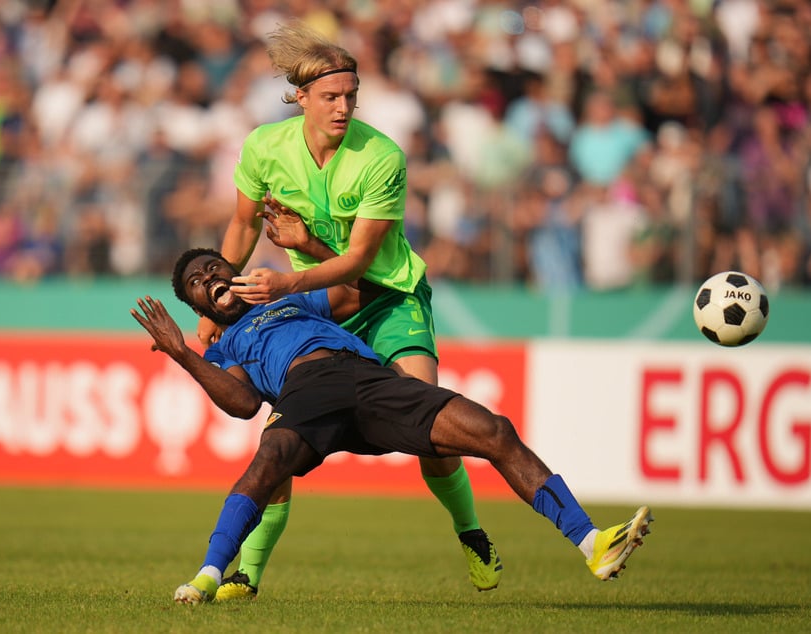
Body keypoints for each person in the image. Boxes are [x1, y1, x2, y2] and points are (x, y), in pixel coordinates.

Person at [131, 248, 654, 604]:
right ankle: (208, 576)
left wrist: (304, 255)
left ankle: (593, 544)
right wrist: (182, 353)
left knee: (494, 430)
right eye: (197, 282)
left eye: (214, 267)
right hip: (307, 393)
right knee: (267, 465)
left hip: (371, 380)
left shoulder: (288, 298)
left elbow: (365, 288)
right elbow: (243, 404)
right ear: (196, 305)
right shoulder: (224, 348)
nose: (210, 279)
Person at [196, 20, 503, 597]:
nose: (344, 108)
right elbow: (241, 225)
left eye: (351, 97)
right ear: (301, 97)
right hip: (322, 301)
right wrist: (219, 300)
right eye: (332, 97)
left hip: (388, 297)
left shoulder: (381, 156)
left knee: (432, 430)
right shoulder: (265, 146)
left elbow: (361, 262)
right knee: (280, 440)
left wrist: (290, 282)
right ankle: (247, 577)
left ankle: (472, 535)